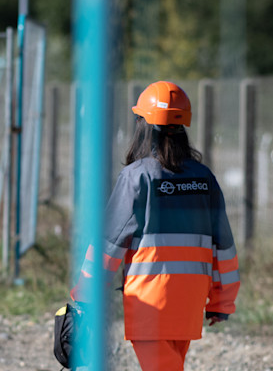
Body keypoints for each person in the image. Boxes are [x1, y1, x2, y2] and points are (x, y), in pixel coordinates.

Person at [69, 81, 240, 371]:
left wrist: (86, 294)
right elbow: (223, 246)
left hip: (149, 302)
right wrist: (222, 300)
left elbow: (108, 244)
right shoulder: (204, 178)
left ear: (142, 124)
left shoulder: (137, 177)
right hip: (189, 302)